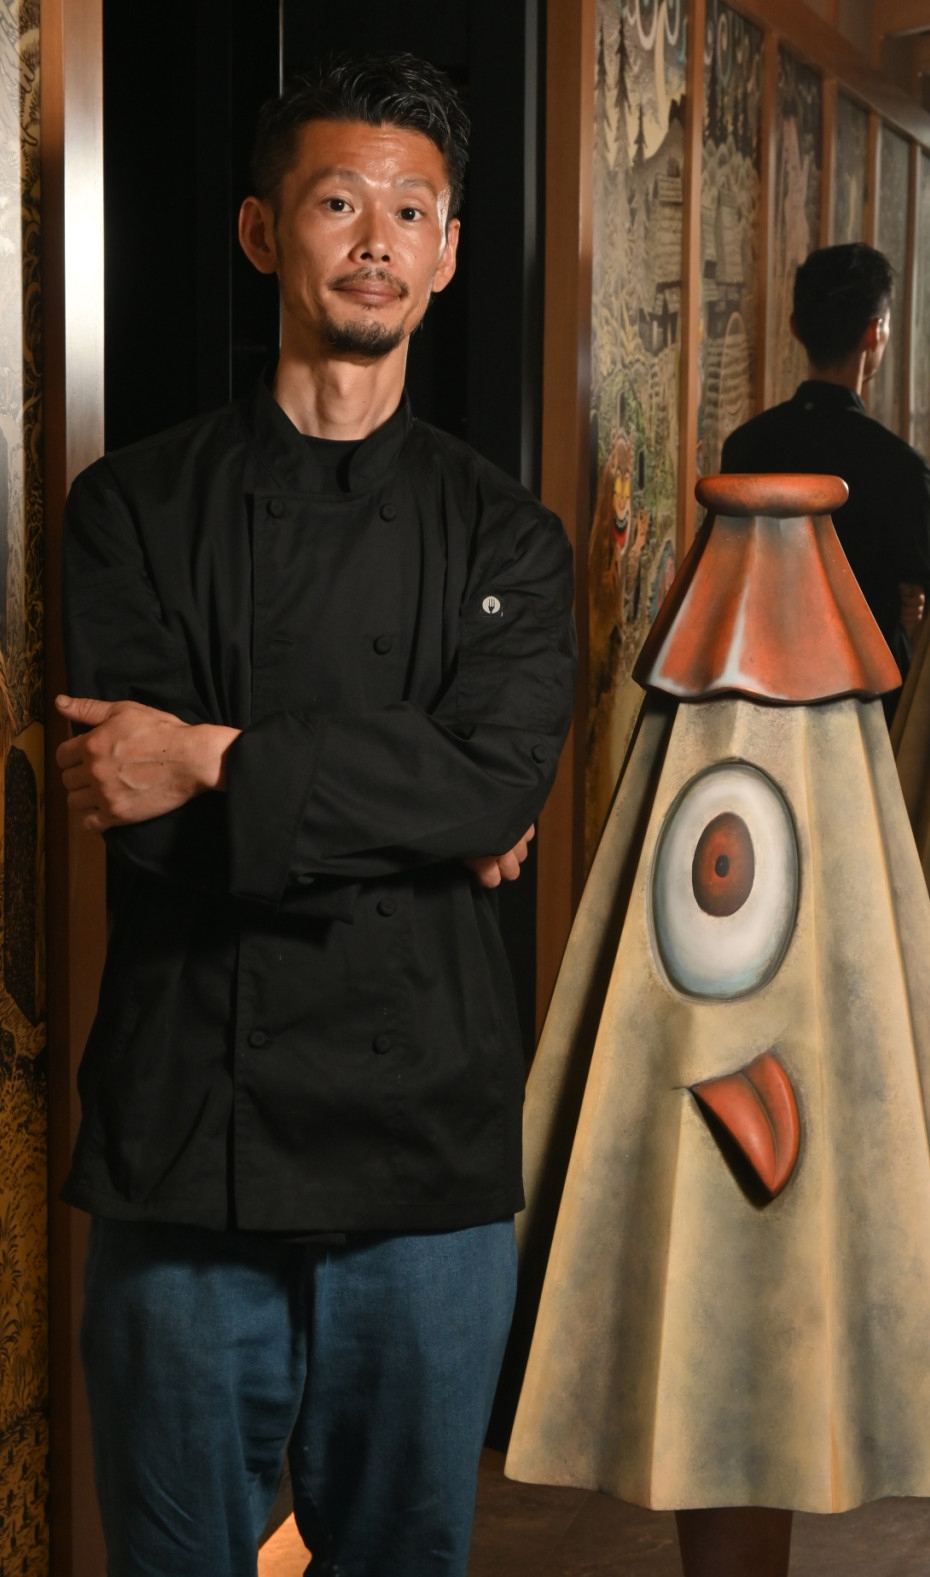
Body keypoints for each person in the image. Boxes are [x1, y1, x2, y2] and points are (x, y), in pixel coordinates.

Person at [54, 54, 576, 1577]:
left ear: (449, 252)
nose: (376, 240)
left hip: (425, 1162)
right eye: (339, 202)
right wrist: (423, 807)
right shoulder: (132, 508)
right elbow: (131, 806)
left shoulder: (509, 536)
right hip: (184, 1143)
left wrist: (215, 757)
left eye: (411, 211)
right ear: (261, 230)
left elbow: (497, 781)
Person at [721, 243, 930, 722]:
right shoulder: (900, 468)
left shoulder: (743, 449)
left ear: (796, 328)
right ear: (874, 332)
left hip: (755, 703)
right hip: (865, 718)